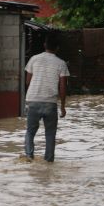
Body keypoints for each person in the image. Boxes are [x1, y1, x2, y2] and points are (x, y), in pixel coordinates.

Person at [24, 34, 70, 162]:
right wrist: (63, 106)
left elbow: (28, 81)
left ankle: (29, 156)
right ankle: (49, 161)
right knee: (50, 134)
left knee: (30, 132)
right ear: (57, 48)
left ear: (45, 45)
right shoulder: (61, 63)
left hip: (33, 100)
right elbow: (62, 87)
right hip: (50, 103)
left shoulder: (34, 59)